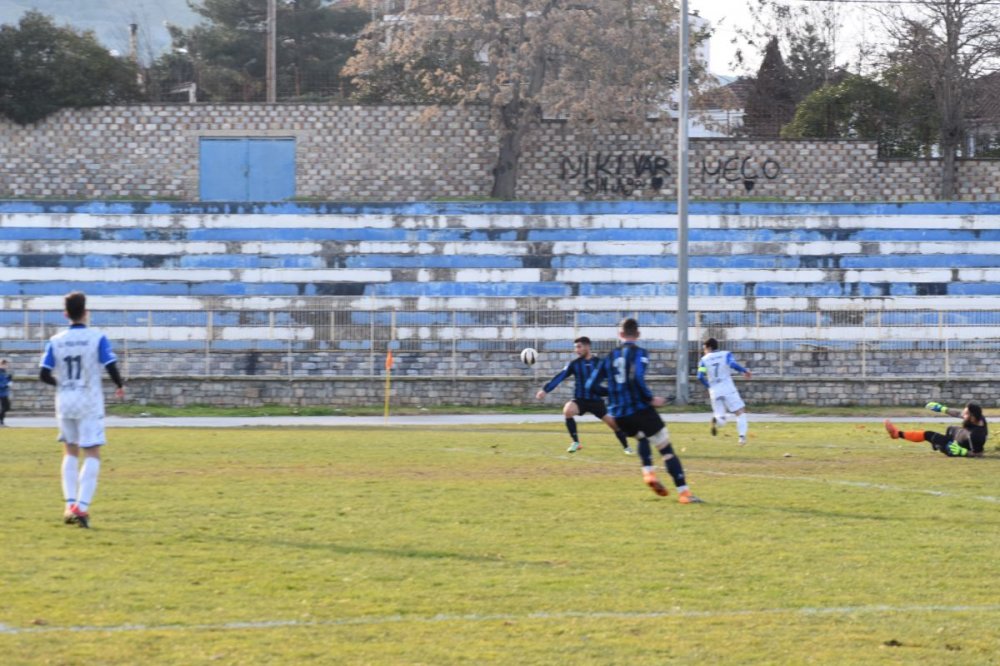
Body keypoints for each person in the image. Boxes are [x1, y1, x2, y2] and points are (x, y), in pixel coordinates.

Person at [585, 318, 702, 503]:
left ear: (620, 334)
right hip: (639, 408)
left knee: (640, 436)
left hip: (619, 415)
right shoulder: (640, 353)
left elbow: (590, 385)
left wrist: (613, 392)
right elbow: (635, 378)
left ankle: (648, 473)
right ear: (637, 335)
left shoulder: (609, 357)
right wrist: (650, 399)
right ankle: (684, 493)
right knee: (665, 448)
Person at [39, 291, 125, 528]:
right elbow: (110, 365)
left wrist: (62, 384)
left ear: (65, 314)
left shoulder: (56, 340)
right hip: (89, 401)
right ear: (86, 313)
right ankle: (82, 507)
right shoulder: (97, 337)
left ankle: (69, 505)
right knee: (92, 453)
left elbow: (43, 374)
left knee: (69, 452)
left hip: (65, 402)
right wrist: (119, 384)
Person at [536, 336, 632, 454]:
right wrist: (545, 390)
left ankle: (627, 447)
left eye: (579, 347)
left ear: (587, 347)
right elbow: (560, 376)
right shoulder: (574, 364)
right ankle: (576, 442)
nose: (577, 350)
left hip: (596, 401)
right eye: (576, 348)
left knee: (614, 425)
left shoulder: (599, 363)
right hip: (580, 400)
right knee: (567, 411)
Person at [884, 401, 988, 458]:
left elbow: (979, 454)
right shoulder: (976, 418)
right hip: (958, 438)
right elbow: (957, 413)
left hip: (954, 448)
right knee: (951, 428)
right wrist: (942, 408)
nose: (963, 415)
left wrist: (963, 452)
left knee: (928, 434)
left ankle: (897, 434)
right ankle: (937, 444)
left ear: (973, 417)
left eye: (965, 414)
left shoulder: (976, 435)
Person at [697, 338, 751, 445]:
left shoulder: (703, 360)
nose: (704, 351)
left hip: (714, 390)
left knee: (720, 417)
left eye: (704, 348)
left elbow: (700, 376)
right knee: (740, 412)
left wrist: (709, 386)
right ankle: (742, 437)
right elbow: (732, 365)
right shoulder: (726, 354)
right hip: (727, 388)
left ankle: (716, 421)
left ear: (709, 347)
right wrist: (744, 371)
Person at [0, 359, 12, 426]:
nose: (7, 366)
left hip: (4, 393)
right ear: (2, 364)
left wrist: (9, 379)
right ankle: (1, 422)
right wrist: (6, 385)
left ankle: (1, 421)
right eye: (6, 365)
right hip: (1, 393)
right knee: (5, 407)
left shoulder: (4, 372)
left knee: (7, 407)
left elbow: (5, 380)